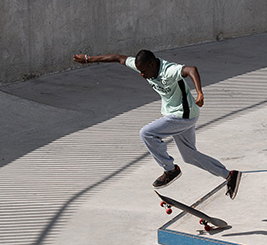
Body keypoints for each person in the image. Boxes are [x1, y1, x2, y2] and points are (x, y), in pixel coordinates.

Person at [73, 48, 242, 197]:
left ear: (153, 64)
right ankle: (229, 175)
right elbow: (118, 58)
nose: (142, 75)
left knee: (147, 133)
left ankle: (170, 170)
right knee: (189, 156)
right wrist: (88, 59)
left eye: (144, 71)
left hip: (183, 115)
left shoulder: (169, 71)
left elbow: (191, 69)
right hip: (180, 115)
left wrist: (199, 93)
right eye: (139, 71)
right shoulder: (144, 66)